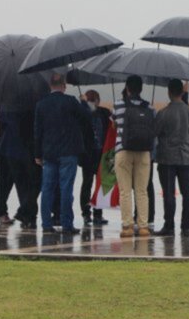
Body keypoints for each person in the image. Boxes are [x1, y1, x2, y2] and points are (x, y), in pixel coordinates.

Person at [33, 73, 92, 233]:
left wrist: (37, 154)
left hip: (49, 152)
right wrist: (84, 103)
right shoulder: (71, 102)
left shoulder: (41, 104)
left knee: (47, 188)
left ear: (50, 85)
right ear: (63, 85)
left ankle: (46, 224)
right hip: (68, 152)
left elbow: (37, 132)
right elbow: (87, 118)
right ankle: (67, 224)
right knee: (66, 188)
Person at [153, 78, 189, 236]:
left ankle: (169, 225)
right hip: (187, 158)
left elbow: (154, 134)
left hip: (167, 158)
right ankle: (186, 225)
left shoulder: (163, 113)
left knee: (169, 193)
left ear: (168, 92)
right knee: (187, 192)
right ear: (182, 92)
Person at [113, 75, 154, 238]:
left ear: (127, 88)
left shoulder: (118, 104)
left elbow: (114, 123)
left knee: (125, 191)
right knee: (142, 190)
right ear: (141, 89)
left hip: (123, 150)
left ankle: (127, 226)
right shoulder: (149, 107)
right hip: (144, 152)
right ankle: (143, 226)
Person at [0, 106, 40, 228]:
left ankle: (27, 215)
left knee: (22, 185)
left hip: (11, 150)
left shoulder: (7, 107)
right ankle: (27, 212)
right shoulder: (33, 106)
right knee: (35, 183)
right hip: (28, 149)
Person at [80, 89, 113, 226]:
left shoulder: (103, 113)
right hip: (92, 155)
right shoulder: (85, 113)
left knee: (95, 185)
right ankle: (90, 214)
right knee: (90, 185)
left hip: (98, 155)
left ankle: (94, 214)